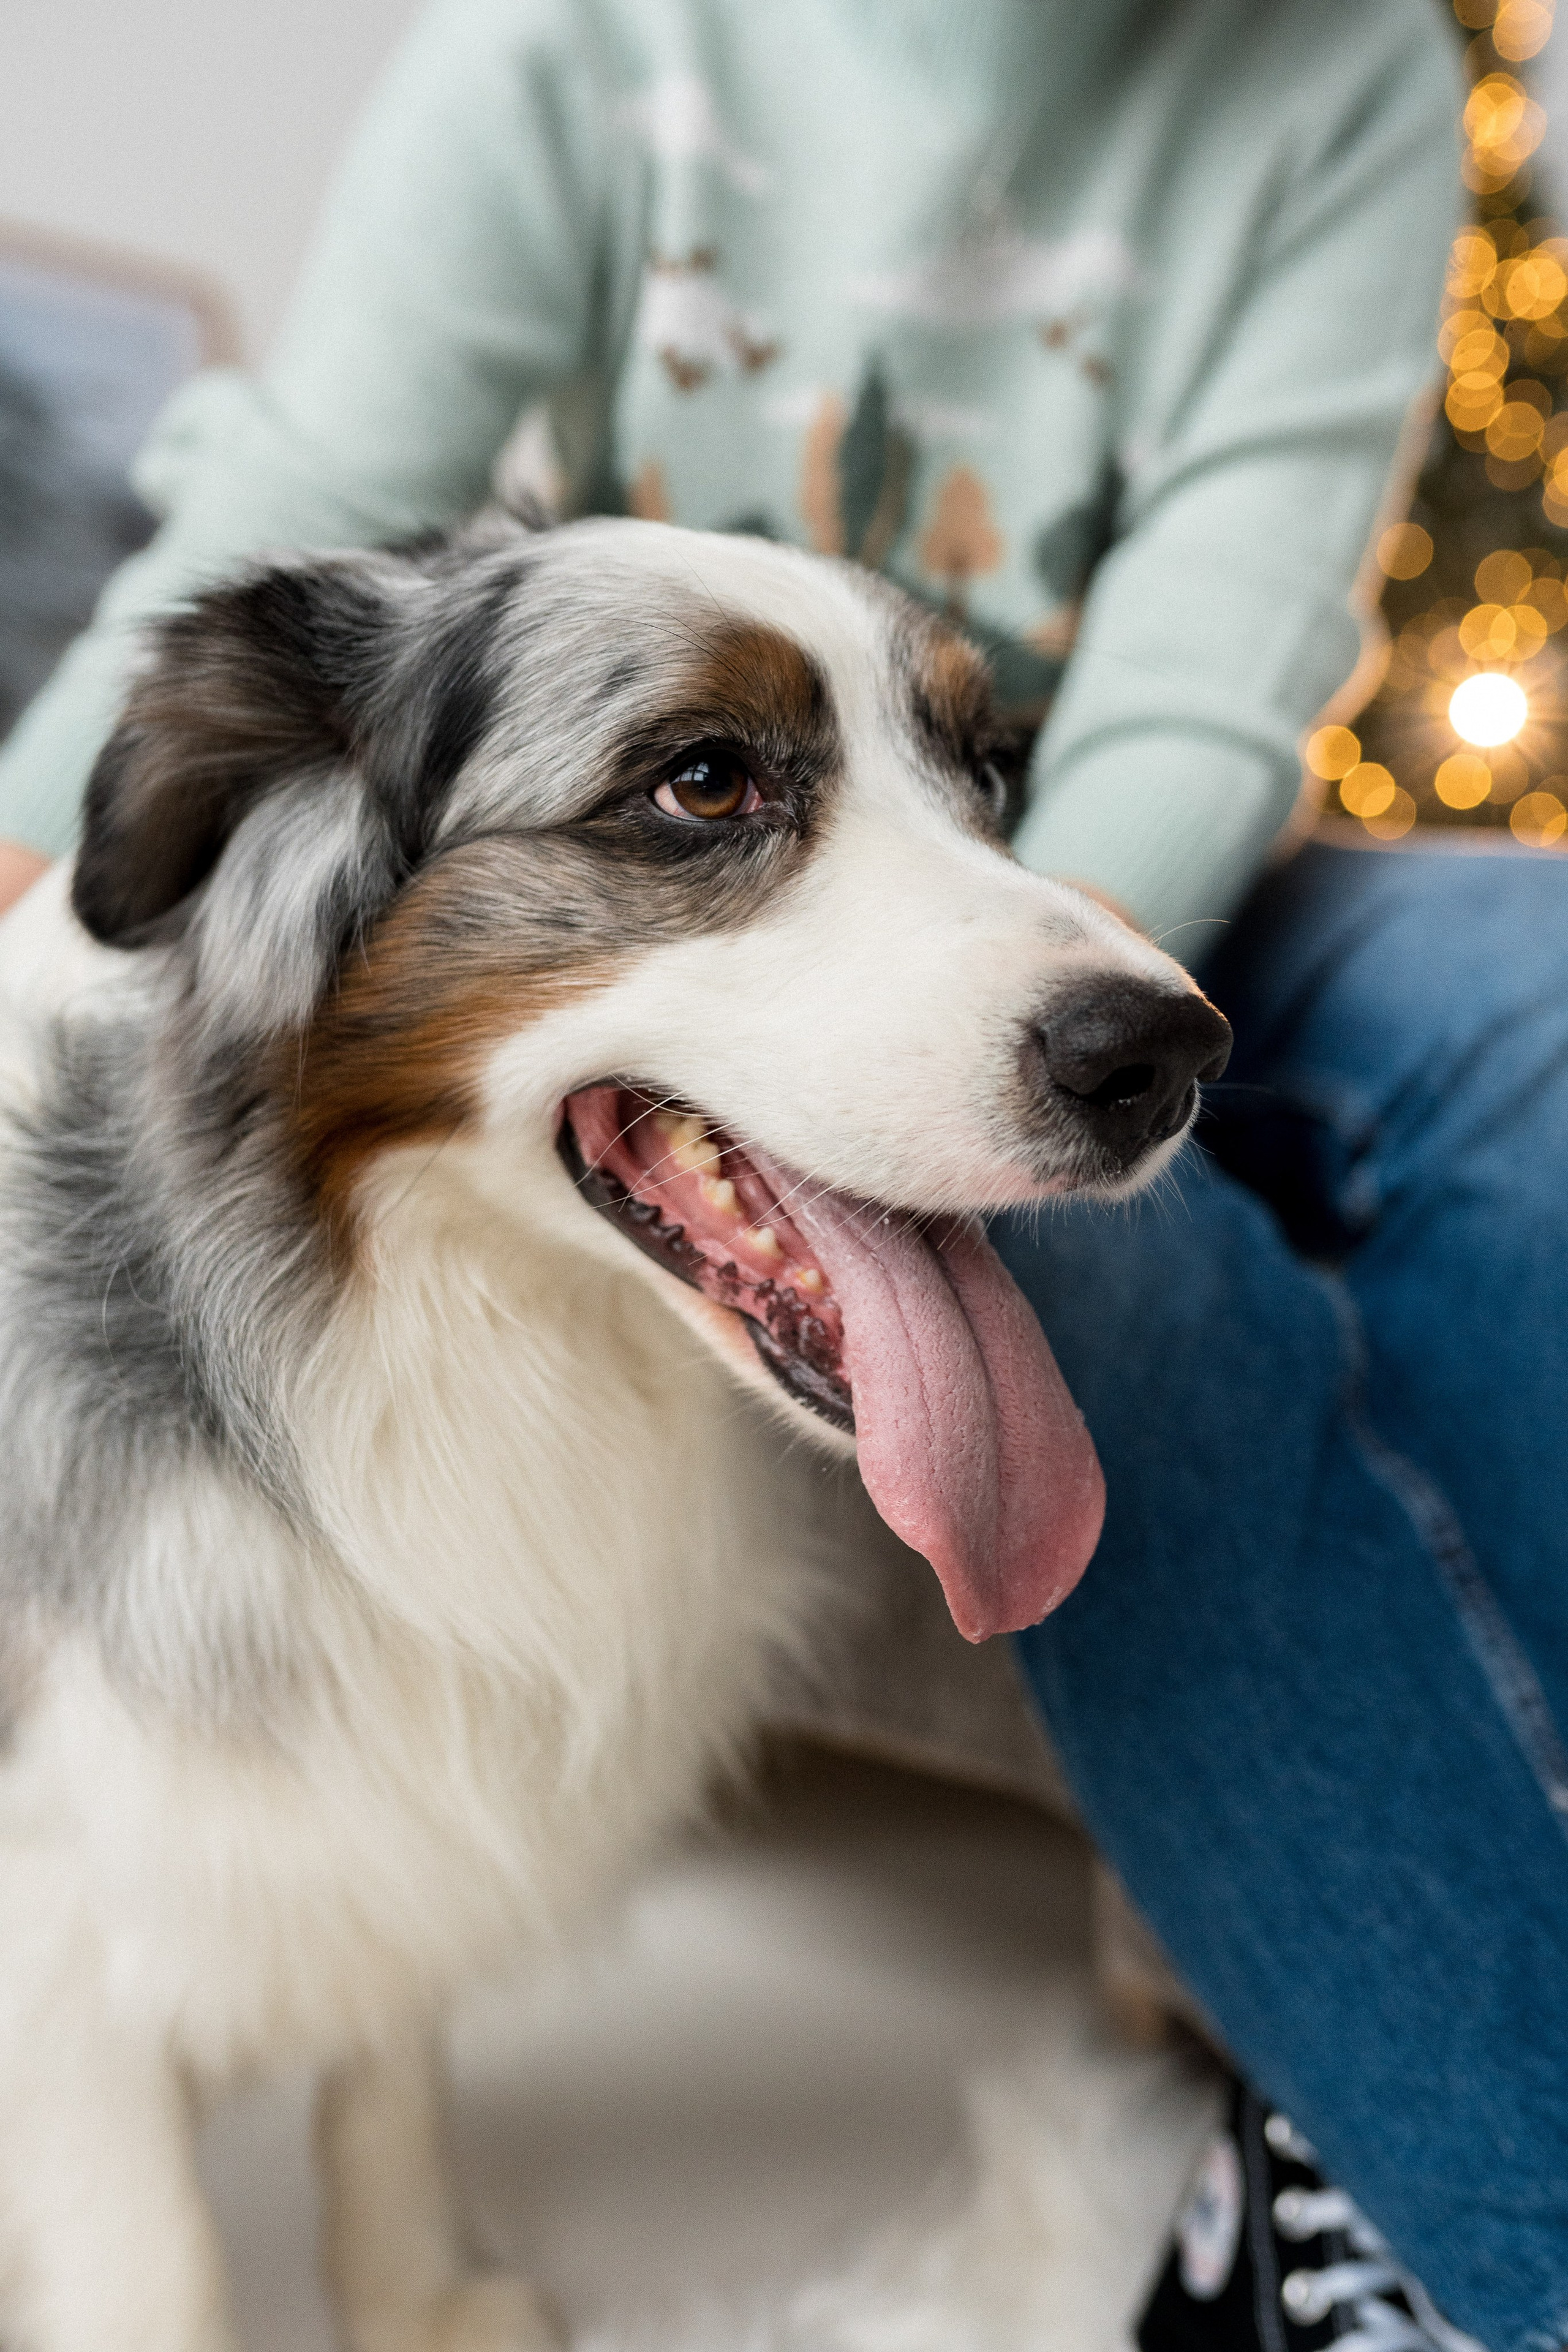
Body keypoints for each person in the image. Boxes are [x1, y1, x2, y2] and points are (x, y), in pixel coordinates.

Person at [2, 6, 1564, 2346]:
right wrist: (42, 871)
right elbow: (307, 488)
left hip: (1115, 872)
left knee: (1540, 995)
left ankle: (1400, 2164)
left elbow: (1187, 693)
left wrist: (1006, 1020)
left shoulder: (1335, 70)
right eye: (707, 783)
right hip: (700, 932)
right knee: (1109, 1289)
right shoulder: (581, 44)